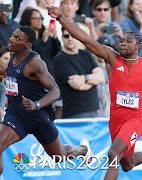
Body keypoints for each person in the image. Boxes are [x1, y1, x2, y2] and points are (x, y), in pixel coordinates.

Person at [47, 6, 142, 180]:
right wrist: (61, 18)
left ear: (138, 45)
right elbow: (85, 39)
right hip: (115, 120)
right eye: (121, 41)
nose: (122, 43)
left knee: (113, 154)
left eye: (127, 41)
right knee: (127, 164)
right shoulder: (111, 58)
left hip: (135, 119)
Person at [0, 26, 90, 175]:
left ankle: (83, 149)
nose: (11, 39)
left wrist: (36, 105)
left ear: (27, 45)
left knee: (59, 157)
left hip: (37, 116)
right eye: (12, 36)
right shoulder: (12, 55)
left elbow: (55, 91)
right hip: (15, 115)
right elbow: (16, 79)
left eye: (17, 38)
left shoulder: (35, 62)